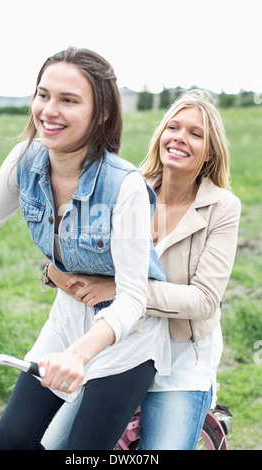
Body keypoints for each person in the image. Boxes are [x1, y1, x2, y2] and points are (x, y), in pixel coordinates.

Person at [0, 47, 171, 450]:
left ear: (102, 112)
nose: (48, 110)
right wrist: (69, 349)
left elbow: (132, 300)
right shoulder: (25, 159)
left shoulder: (123, 186)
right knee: (13, 439)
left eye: (68, 100)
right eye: (43, 95)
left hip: (124, 340)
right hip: (66, 324)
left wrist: (79, 355)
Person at [41, 89, 241, 450]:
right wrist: (56, 272)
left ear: (209, 151)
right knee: (53, 445)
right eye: (173, 127)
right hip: (122, 347)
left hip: (180, 359)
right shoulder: (129, 187)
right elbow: (79, 254)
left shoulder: (222, 207)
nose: (180, 137)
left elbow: (204, 300)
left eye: (195, 134)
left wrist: (122, 290)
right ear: (161, 135)